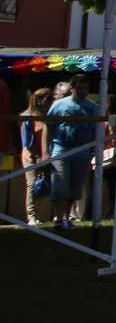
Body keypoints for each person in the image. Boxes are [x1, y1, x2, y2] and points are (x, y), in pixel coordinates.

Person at [44, 79, 101, 233]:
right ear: (72, 88)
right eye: (80, 88)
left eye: (86, 88)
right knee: (60, 184)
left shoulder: (93, 107)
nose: (83, 91)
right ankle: (58, 218)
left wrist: (93, 150)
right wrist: (46, 152)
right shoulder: (59, 105)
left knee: (75, 187)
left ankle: (67, 218)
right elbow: (48, 127)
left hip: (82, 150)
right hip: (60, 148)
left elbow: (97, 130)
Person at [20, 86, 50, 226]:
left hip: (45, 155)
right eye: (42, 98)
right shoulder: (27, 117)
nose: (45, 100)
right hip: (30, 155)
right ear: (36, 100)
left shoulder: (50, 116)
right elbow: (26, 141)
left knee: (43, 185)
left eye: (48, 98)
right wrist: (35, 155)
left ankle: (37, 213)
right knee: (31, 184)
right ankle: (31, 216)